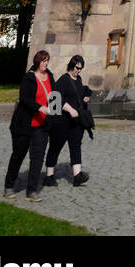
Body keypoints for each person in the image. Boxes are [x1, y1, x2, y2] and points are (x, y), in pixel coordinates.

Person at [4, 50, 54, 201]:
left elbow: (54, 95)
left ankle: (32, 191)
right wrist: (40, 108)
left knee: (38, 158)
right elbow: (24, 98)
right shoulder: (29, 77)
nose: (46, 63)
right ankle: (9, 185)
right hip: (24, 124)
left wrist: (55, 112)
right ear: (37, 61)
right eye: (43, 60)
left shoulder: (50, 76)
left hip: (41, 126)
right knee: (18, 155)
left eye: (47, 60)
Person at [43, 54, 93, 188]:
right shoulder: (63, 80)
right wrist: (69, 109)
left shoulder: (79, 79)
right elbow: (55, 98)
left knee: (76, 147)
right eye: (77, 68)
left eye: (81, 68)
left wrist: (86, 95)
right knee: (55, 148)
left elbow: (78, 93)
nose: (79, 70)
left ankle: (77, 176)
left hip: (75, 122)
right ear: (71, 65)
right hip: (61, 122)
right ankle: (49, 176)